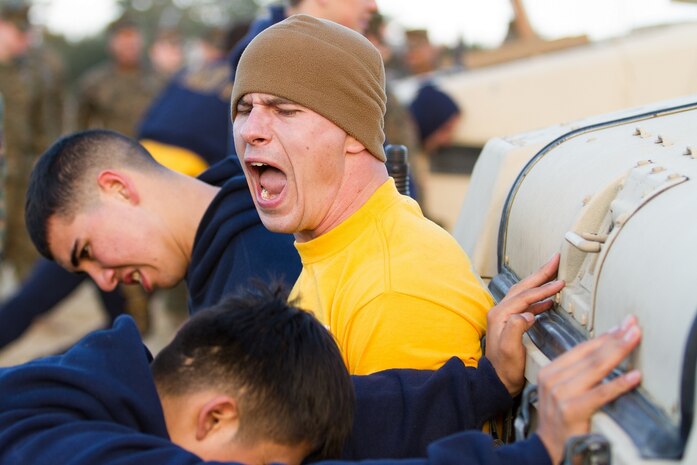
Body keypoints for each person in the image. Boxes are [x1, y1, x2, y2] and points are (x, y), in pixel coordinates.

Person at [0, 271, 643, 465]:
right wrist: (535, 454)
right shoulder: (40, 443)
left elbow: (337, 419)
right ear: (214, 417)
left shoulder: (132, 393)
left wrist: (486, 384)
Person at [231, 15, 492, 375]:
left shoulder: (393, 292)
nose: (252, 130)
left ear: (355, 134)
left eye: (286, 110)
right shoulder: (338, 248)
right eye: (244, 109)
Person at [24, 129, 301, 314]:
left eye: (86, 250)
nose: (105, 281)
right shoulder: (237, 231)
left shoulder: (259, 284)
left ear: (118, 188)